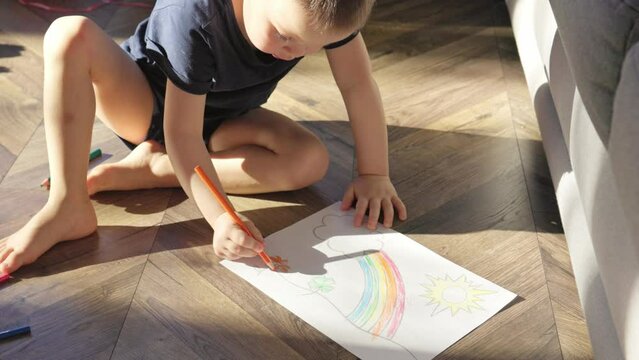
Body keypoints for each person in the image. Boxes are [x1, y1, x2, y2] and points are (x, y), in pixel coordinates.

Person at [0, 0, 407, 274]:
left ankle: (155, 170)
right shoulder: (194, 16)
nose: (291, 50)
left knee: (310, 160)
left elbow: (357, 83)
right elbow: (180, 132)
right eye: (284, 36)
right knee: (68, 33)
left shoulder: (315, 14)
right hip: (147, 105)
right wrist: (221, 218)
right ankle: (68, 204)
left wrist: (374, 173)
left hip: (226, 114)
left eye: (310, 48)